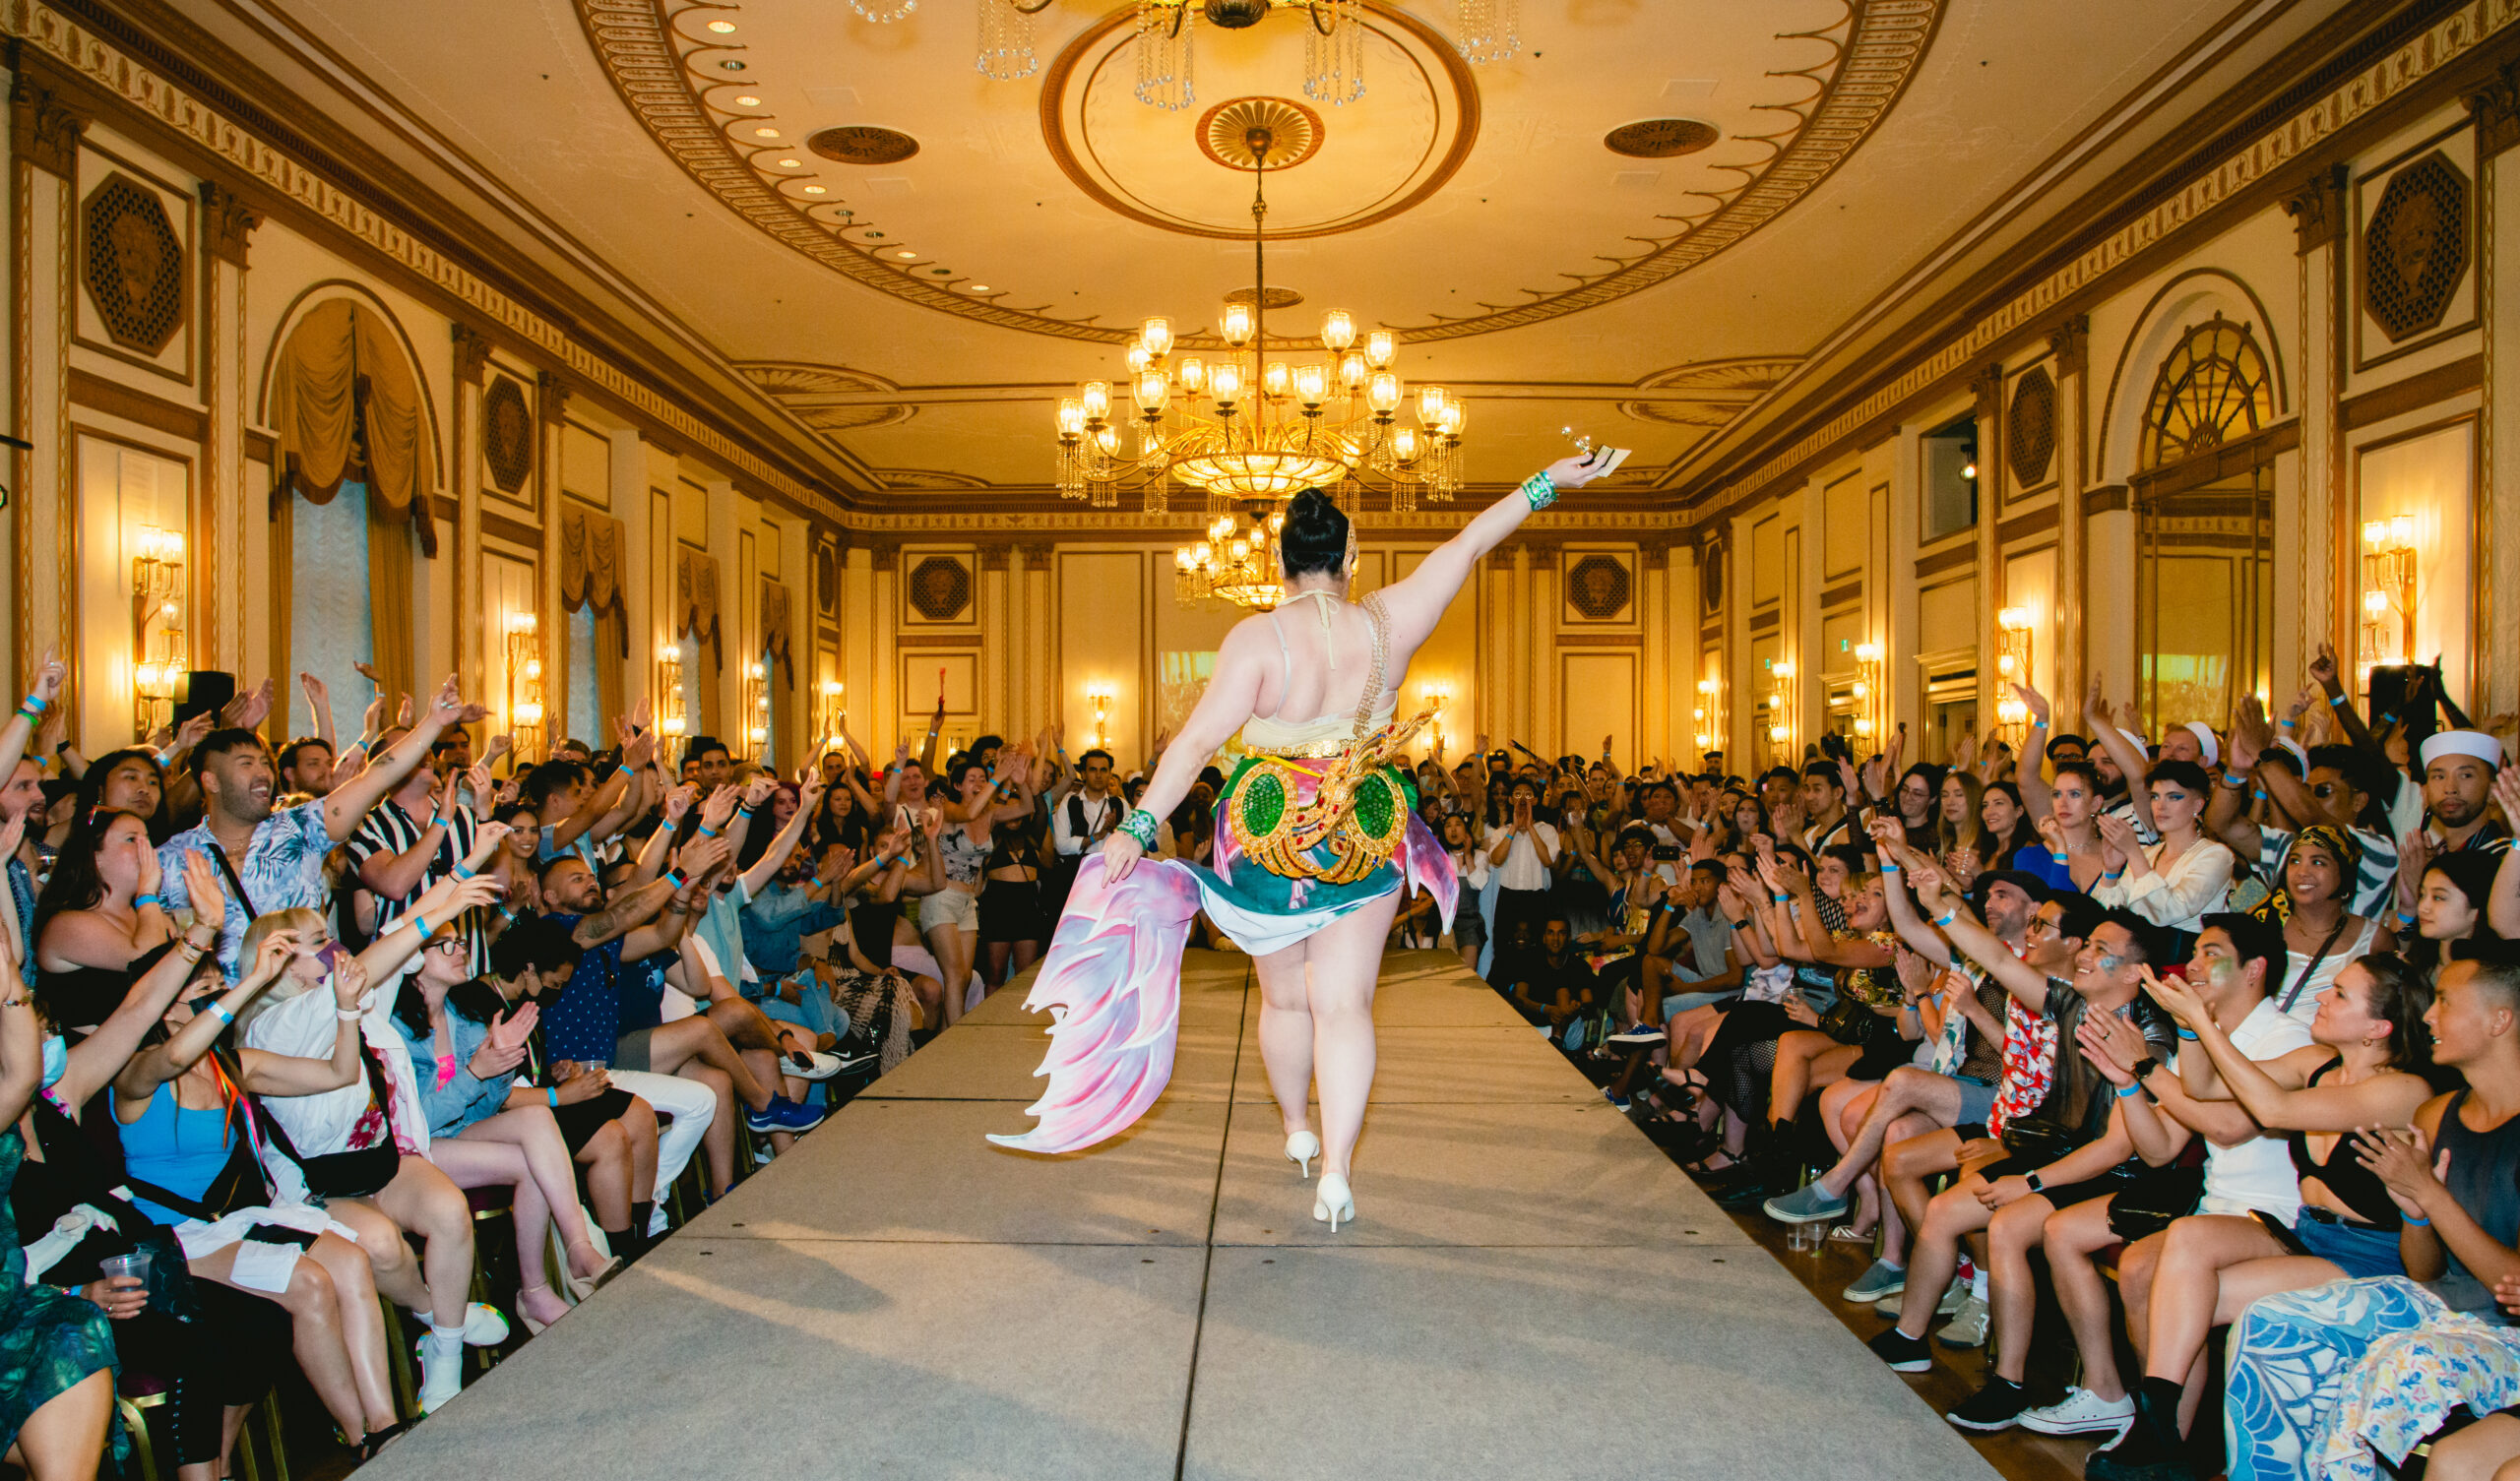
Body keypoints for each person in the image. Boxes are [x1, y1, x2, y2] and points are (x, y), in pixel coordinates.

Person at [990, 453, 1617, 1238]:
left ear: (1278, 562)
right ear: (1351, 556)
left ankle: (1296, 1126)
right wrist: (1549, 479)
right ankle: (1338, 1170)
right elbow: (1469, 543)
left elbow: (1194, 744)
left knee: (1286, 999)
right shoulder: (1390, 620)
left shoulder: (1257, 638)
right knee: (1345, 1005)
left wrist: (1137, 828)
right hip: (1363, 829)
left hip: (1270, 833)